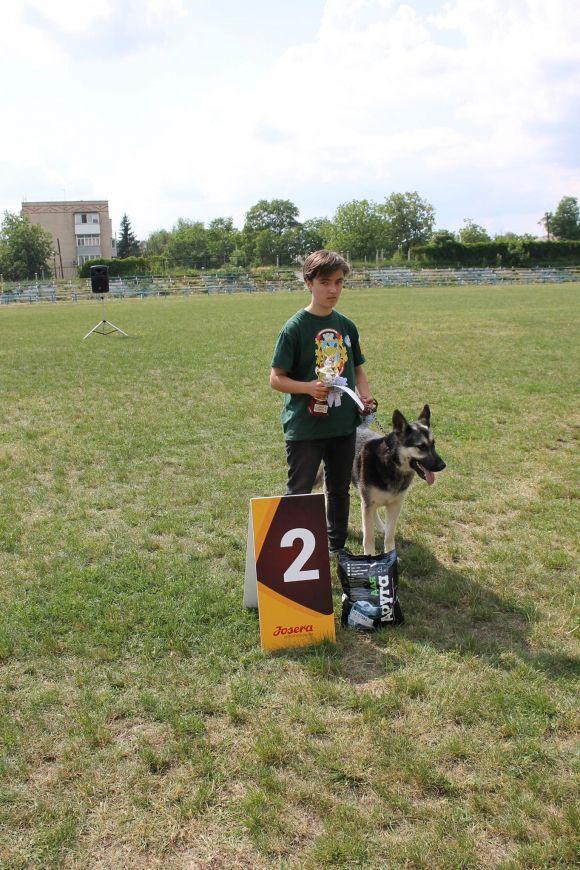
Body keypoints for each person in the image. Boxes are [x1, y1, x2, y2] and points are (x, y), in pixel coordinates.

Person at [270, 250, 374, 555]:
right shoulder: (294, 328)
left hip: (343, 426)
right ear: (308, 283)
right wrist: (307, 387)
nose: (333, 290)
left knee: (339, 490)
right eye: (325, 282)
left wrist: (364, 395)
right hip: (305, 428)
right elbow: (276, 378)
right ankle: (292, 554)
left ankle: (336, 547)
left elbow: (357, 369)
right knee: (300, 491)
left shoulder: (347, 326)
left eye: (339, 283)